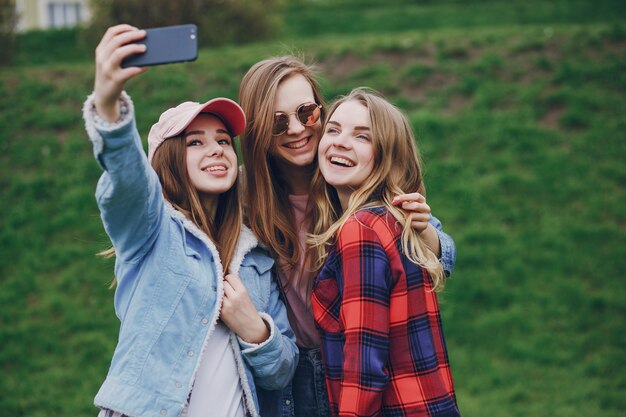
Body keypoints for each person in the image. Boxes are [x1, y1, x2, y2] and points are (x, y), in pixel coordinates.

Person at [82, 25, 297, 417]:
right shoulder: (151, 232)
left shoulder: (255, 257)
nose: (215, 150)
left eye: (221, 140)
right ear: (168, 161)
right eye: (195, 142)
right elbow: (128, 182)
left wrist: (256, 330)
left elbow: (283, 369)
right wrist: (110, 110)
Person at [238, 56, 457, 416]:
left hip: (358, 365)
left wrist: (424, 236)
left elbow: (436, 252)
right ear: (258, 129)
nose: (296, 129)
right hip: (294, 374)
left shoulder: (350, 178)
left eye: (306, 113)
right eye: (278, 121)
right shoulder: (244, 195)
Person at [310, 88, 460, 416]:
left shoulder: (362, 230)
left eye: (362, 137)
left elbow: (364, 368)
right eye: (332, 130)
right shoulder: (392, 222)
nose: (340, 141)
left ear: (387, 156)